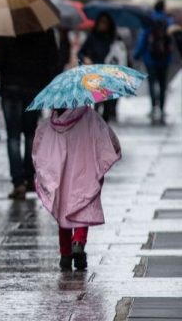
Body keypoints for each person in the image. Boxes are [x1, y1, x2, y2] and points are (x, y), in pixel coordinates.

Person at [32, 106, 121, 271]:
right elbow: (106, 137)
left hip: (60, 175)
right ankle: (78, 241)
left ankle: (65, 254)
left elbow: (38, 148)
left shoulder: (49, 125)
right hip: (84, 170)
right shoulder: (89, 117)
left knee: (62, 211)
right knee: (83, 205)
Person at [0, 31, 60, 200]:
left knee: (13, 137)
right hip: (34, 89)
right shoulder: (44, 30)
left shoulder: (8, 30)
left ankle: (18, 182)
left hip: (10, 88)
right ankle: (28, 178)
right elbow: (52, 61)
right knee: (30, 134)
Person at [134, 0, 173, 124]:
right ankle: (162, 108)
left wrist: (137, 54)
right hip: (165, 59)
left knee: (152, 83)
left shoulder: (149, 21)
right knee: (163, 84)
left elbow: (143, 38)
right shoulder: (168, 21)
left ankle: (153, 107)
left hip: (149, 58)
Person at [78, 13, 119, 122]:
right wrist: (86, 59)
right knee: (96, 101)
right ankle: (96, 126)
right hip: (95, 74)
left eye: (105, 22)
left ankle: (104, 125)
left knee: (108, 104)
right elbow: (80, 53)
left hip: (109, 74)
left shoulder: (113, 39)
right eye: (101, 22)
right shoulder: (92, 37)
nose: (103, 25)